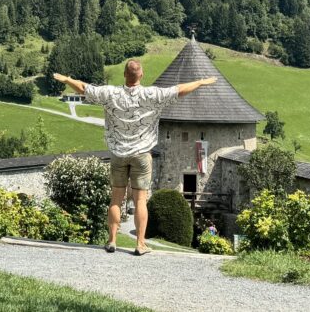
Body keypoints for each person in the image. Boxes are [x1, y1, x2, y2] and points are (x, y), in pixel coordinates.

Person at [53, 60, 216, 256]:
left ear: (124, 74)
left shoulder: (111, 94)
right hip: (141, 155)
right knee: (140, 201)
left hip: (118, 154)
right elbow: (179, 90)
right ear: (141, 74)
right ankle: (140, 244)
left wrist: (67, 79)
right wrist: (200, 82)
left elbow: (83, 88)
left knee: (116, 199)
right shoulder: (152, 95)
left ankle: (112, 240)